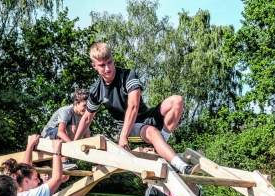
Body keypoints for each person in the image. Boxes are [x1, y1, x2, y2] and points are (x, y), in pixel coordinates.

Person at [73, 42, 192, 174]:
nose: (107, 68)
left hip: (146, 117)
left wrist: (122, 137)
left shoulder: (128, 76)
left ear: (113, 59)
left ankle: (161, 143)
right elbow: (86, 118)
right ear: (94, 66)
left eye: (109, 62)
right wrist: (73, 144)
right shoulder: (97, 90)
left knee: (177, 100)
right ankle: (181, 166)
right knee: (151, 131)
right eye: (102, 65)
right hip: (129, 128)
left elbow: (133, 106)